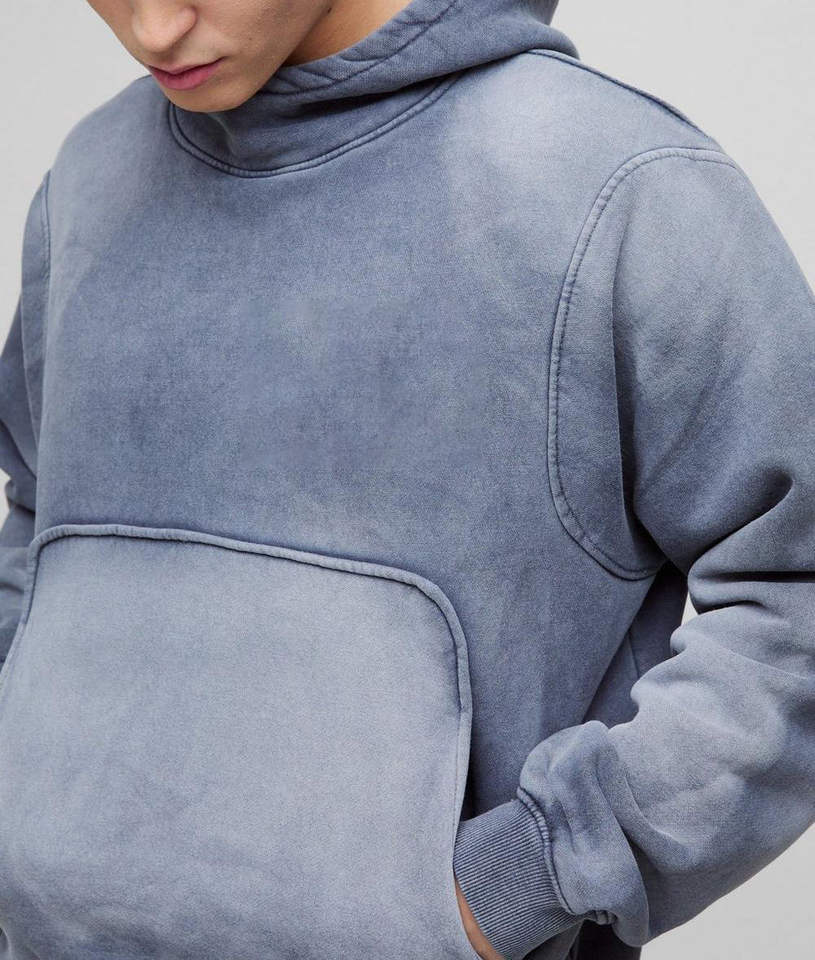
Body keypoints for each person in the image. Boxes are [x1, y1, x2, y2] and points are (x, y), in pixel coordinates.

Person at [0, 1, 812, 958]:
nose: (155, 27)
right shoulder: (91, 178)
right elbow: (38, 529)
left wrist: (523, 879)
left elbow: (792, 605)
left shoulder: (618, 185)